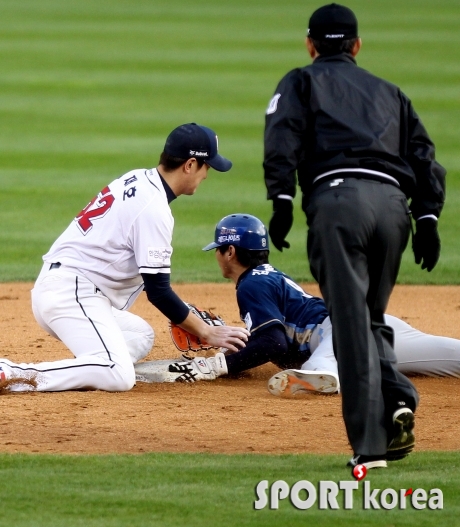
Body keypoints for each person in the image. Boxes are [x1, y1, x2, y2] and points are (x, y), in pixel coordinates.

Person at [262, 3, 446, 468]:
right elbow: (424, 156)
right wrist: (427, 218)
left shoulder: (301, 81)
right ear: (357, 46)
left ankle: (371, 446)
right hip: (392, 210)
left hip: (339, 204)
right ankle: (399, 399)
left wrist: (281, 201)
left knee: (348, 324)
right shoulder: (390, 91)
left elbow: (282, 137)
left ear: (310, 45)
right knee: (370, 318)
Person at [0, 123, 249, 393]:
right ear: (190, 165)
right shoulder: (153, 209)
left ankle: (90, 367)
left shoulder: (139, 179)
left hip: (65, 288)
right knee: (119, 375)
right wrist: (204, 330)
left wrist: (185, 315)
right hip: (71, 294)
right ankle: (13, 373)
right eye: (206, 166)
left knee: (139, 336)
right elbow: (159, 292)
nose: (207, 175)